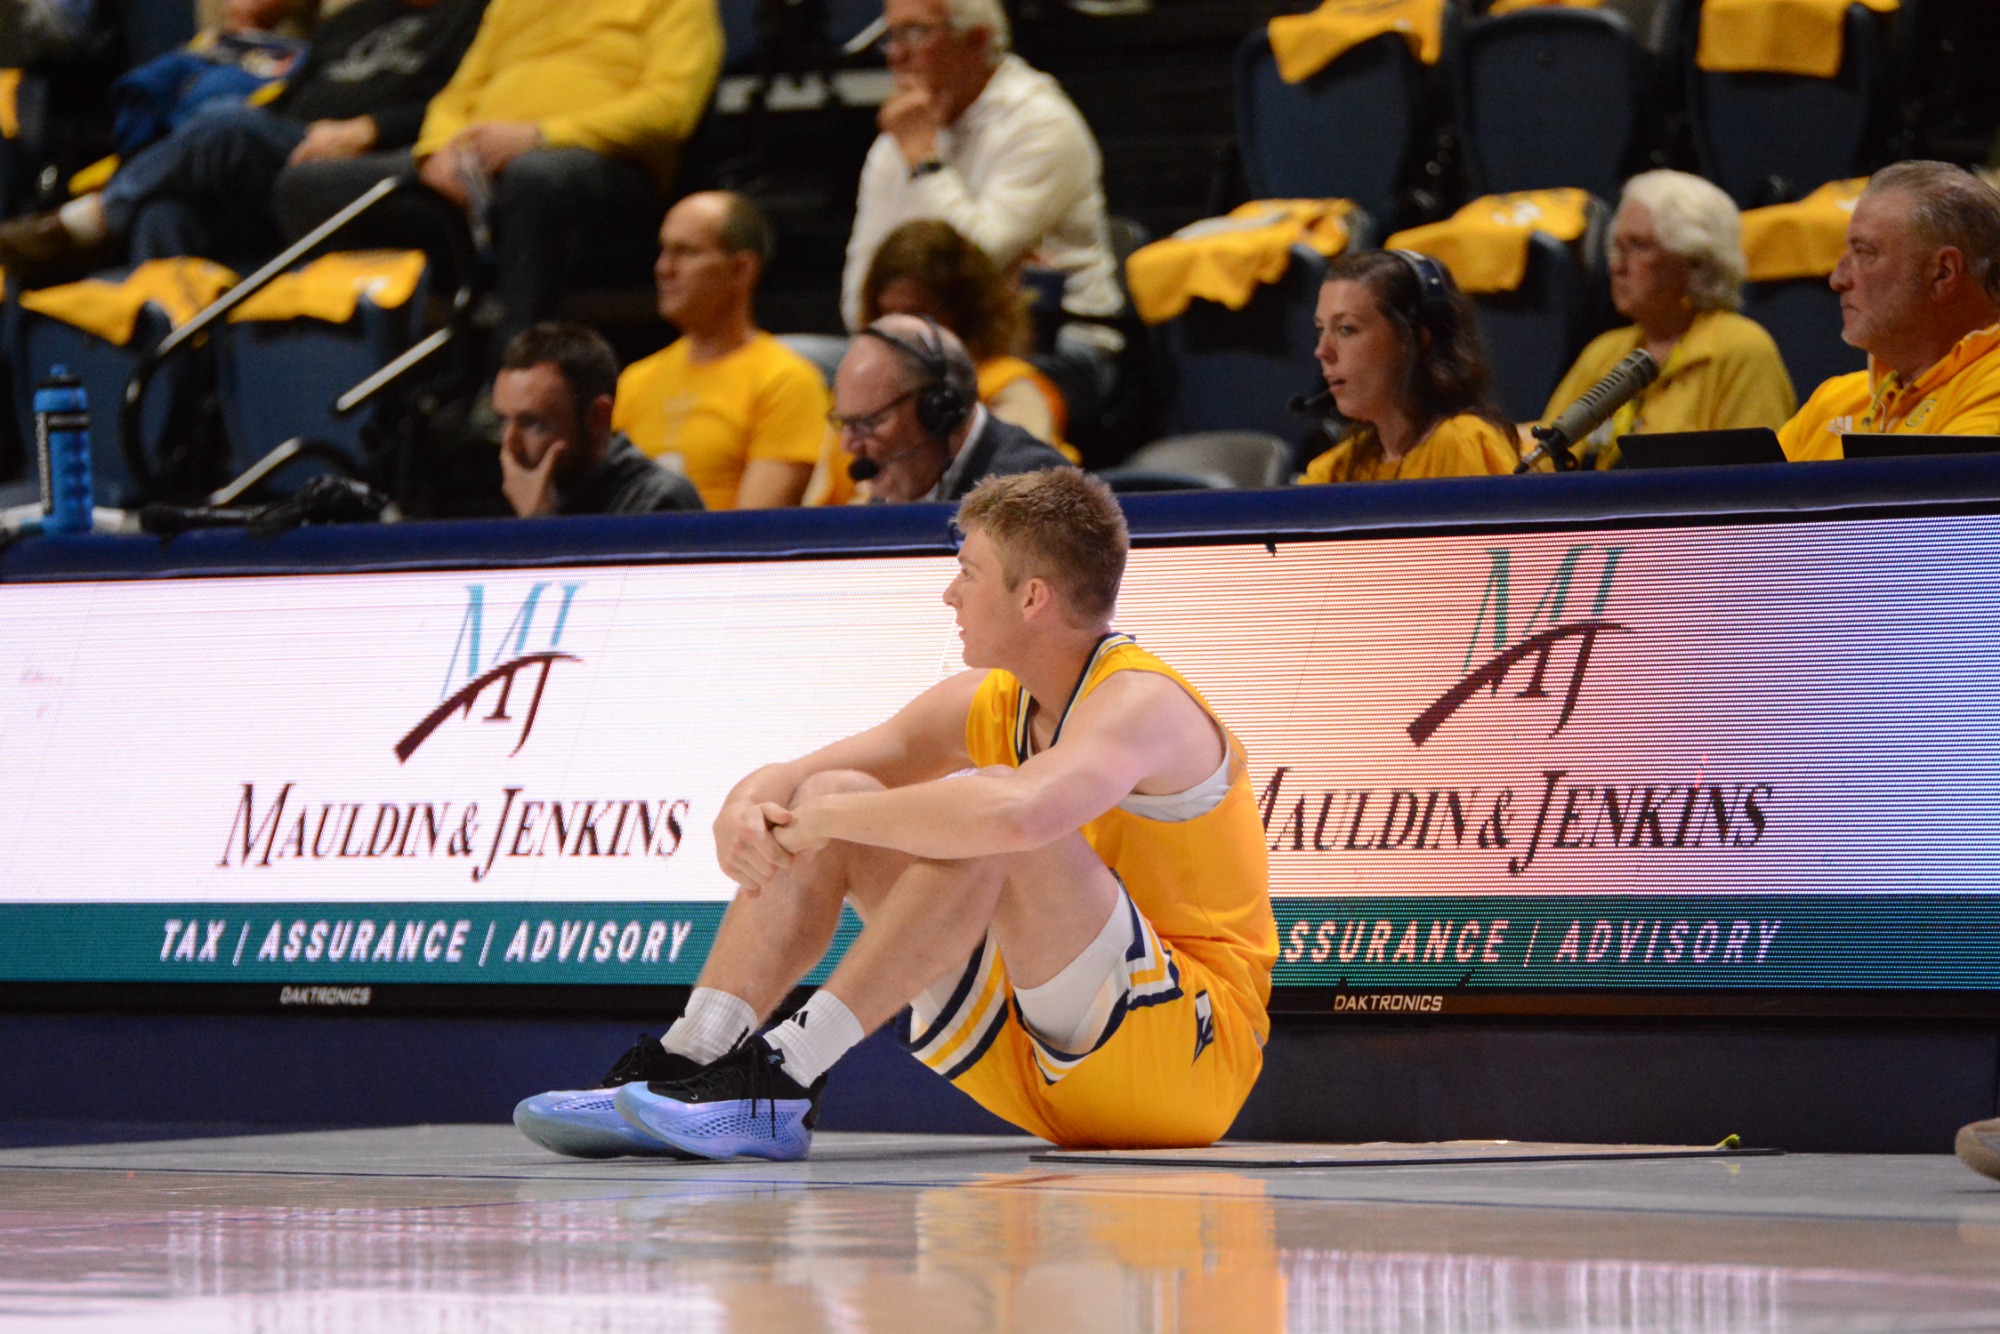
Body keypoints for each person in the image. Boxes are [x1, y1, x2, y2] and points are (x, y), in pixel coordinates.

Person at [514, 466, 1278, 1161]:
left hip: (1186, 1057)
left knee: (991, 813)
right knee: (836, 792)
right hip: (1040, 1059)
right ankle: (695, 1057)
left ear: (1032, 596)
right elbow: (796, 777)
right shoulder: (993, 700)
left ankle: (786, 1074)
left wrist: (823, 825)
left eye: (968, 573)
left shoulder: (1143, 701)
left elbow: (1013, 816)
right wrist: (745, 809)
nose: (950, 594)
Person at [274, 0, 723, 351]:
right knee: (308, 186)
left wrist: (540, 135)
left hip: (599, 167)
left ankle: (508, 386)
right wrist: (437, 154)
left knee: (533, 179)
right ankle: (365, 372)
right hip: (475, 174)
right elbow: (456, 96)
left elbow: (672, 110)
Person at [0, 0, 487, 273]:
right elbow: (284, 99)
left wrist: (370, 129)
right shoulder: (352, 21)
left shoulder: (473, 17)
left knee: (225, 121)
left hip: (371, 164)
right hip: (287, 149)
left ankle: (88, 223)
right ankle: (176, 412)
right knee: (163, 214)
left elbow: (472, 104)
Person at [841, 0, 1125, 401]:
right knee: (800, 371)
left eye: (915, 33)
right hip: (921, 346)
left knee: (925, 394)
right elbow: (859, 292)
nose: (896, 54)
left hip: (1055, 344)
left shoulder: (1041, 122)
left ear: (976, 40)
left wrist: (926, 158)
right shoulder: (901, 136)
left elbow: (969, 266)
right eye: (890, 36)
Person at [1539, 170, 1796, 469]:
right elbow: (1543, 462)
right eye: (1616, 247)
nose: (1617, 265)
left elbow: (1752, 487)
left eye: (1637, 246)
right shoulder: (1603, 352)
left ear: (1696, 262)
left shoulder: (1741, 350)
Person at [610, 192, 830, 511]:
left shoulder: (787, 380)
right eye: (663, 251)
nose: (663, 268)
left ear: (740, 270)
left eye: (684, 252)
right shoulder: (635, 379)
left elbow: (750, 536)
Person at [1780, 161, 2000, 461]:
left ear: (1943, 273)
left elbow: (1939, 504)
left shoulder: (1991, 384)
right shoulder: (1835, 400)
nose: (1838, 279)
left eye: (1865, 253)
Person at [1301, 249, 1519, 483]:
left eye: (1346, 329)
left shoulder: (1464, 444)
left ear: (1417, 339)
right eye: (1321, 330)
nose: (1322, 351)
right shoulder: (1336, 469)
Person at [860, 218, 1072, 452]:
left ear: (962, 314)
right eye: (886, 314)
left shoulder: (1010, 390)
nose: (896, 332)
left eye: (916, 315)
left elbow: (1018, 482)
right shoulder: (863, 390)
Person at [822, 313, 1068, 504]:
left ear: (936, 410)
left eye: (866, 423)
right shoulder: (896, 491)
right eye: (844, 424)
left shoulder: (1031, 492)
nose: (847, 444)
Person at [494, 322, 702, 517]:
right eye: (503, 421)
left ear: (597, 417)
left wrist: (537, 520)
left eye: (533, 423)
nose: (510, 445)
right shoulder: (518, 495)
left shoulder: (659, 501)